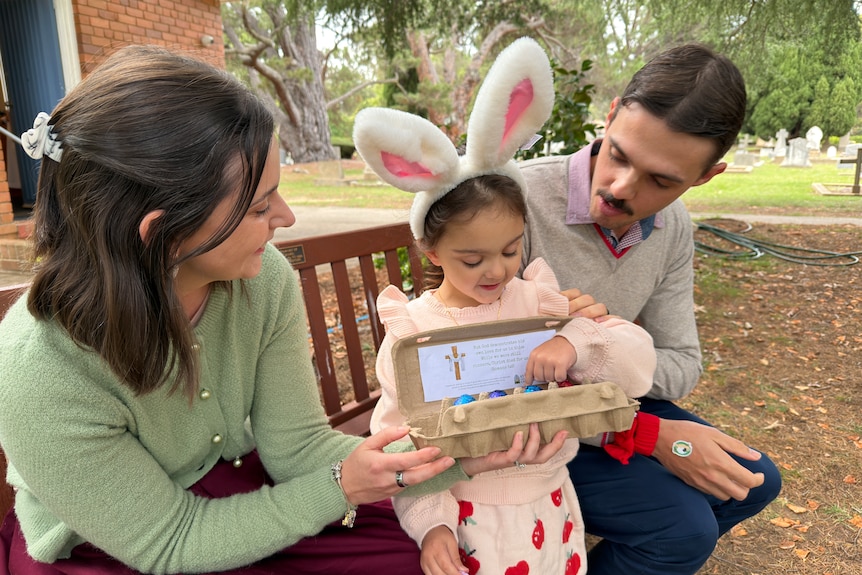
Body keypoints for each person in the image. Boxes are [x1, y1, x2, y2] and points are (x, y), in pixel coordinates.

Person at [0, 45, 552, 575]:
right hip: (107, 542)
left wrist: (460, 455)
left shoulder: (261, 282)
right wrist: (341, 485)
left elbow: (297, 447)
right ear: (161, 233)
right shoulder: (39, 372)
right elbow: (168, 539)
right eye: (261, 205)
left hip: (237, 483)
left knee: (418, 559)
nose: (286, 217)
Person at [354, 38, 656, 575]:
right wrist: (433, 523)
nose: (496, 271)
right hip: (470, 518)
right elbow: (398, 442)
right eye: (472, 259)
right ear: (431, 248)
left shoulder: (538, 300)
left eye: (511, 250)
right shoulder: (415, 331)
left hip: (552, 507)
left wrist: (576, 341)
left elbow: (636, 366)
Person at [518, 43, 783, 575]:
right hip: (521, 426)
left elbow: (682, 364)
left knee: (754, 480)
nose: (619, 189)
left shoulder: (675, 227)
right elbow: (482, 372)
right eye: (618, 153)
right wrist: (650, 435)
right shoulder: (514, 197)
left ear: (706, 177)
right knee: (682, 528)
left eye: (662, 181)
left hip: (604, 412)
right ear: (611, 113)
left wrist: (603, 346)